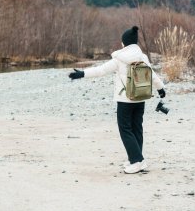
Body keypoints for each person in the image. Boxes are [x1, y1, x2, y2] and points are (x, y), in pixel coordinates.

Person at [69, 26, 166, 174]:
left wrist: (82, 73)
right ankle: (136, 158)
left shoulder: (119, 59)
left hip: (125, 100)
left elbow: (100, 70)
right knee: (137, 128)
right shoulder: (143, 57)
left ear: (124, 43)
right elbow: (152, 75)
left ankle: (136, 161)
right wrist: (161, 89)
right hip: (141, 98)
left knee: (125, 129)